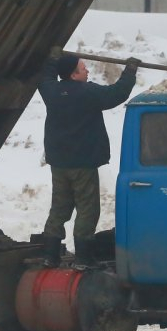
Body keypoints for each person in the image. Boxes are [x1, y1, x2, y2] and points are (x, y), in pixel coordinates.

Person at [38, 51, 139, 268]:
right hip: (83, 163)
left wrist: (52, 59)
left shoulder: (51, 91)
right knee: (87, 209)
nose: (88, 71)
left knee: (59, 207)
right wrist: (129, 71)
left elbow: (45, 77)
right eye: (83, 68)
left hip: (59, 163)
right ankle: (83, 258)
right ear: (74, 75)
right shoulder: (88, 92)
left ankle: (50, 254)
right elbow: (117, 94)